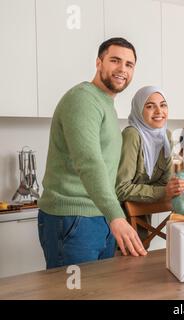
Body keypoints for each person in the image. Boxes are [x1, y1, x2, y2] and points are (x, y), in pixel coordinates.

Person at [38, 37, 147, 269]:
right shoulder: (83, 99)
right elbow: (89, 162)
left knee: (98, 292)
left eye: (129, 64)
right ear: (99, 62)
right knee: (73, 294)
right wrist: (116, 216)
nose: (122, 69)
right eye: (115, 60)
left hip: (99, 217)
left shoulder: (105, 103)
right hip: (74, 217)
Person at [116, 86, 184, 204]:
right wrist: (164, 191)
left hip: (143, 212)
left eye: (163, 105)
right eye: (150, 106)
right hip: (121, 215)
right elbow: (121, 189)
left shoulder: (165, 135)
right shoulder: (132, 135)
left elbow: (166, 181)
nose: (159, 111)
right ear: (139, 110)